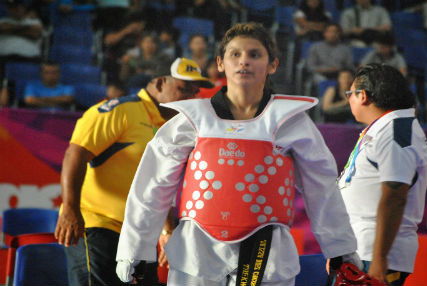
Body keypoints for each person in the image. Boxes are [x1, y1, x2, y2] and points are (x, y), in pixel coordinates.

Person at [115, 22, 362, 286]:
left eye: (254, 54)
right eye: (235, 54)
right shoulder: (192, 119)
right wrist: (134, 250)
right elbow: (152, 185)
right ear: (220, 63)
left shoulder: (291, 122)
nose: (244, 61)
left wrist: (341, 250)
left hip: (268, 257)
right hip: (197, 256)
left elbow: (322, 188)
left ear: (273, 65)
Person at [54, 57, 213, 286]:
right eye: (183, 90)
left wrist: (168, 233)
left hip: (138, 235)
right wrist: (69, 208)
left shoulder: (172, 129)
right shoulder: (119, 111)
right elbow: (76, 154)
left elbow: (160, 185)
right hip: (98, 225)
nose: (190, 99)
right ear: (159, 84)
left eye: (194, 93)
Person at [337, 63, 427, 285]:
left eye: (350, 93)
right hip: (360, 250)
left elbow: (395, 197)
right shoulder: (386, 127)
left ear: (364, 96)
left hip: (373, 256)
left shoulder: (397, 131)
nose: (348, 99)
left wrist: (380, 258)